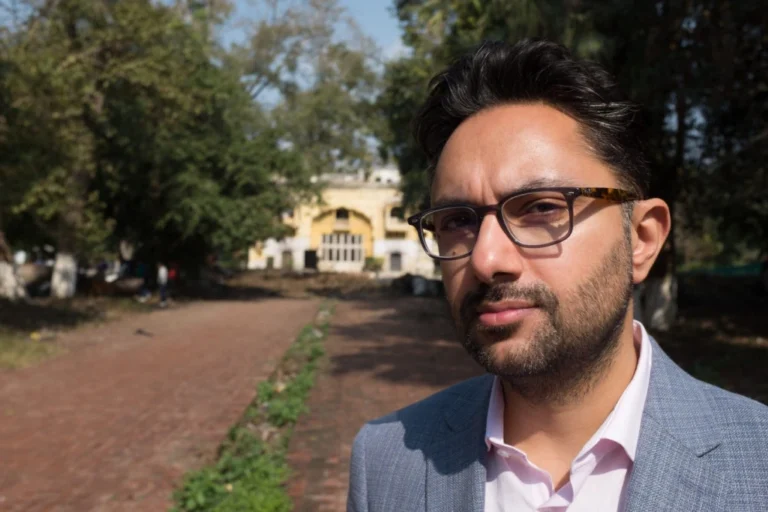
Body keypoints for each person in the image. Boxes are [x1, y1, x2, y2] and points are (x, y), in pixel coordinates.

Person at [347, 40, 768, 512]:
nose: (486, 259)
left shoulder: (757, 466)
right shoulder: (384, 461)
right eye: (458, 220)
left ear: (642, 239)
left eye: (542, 208)